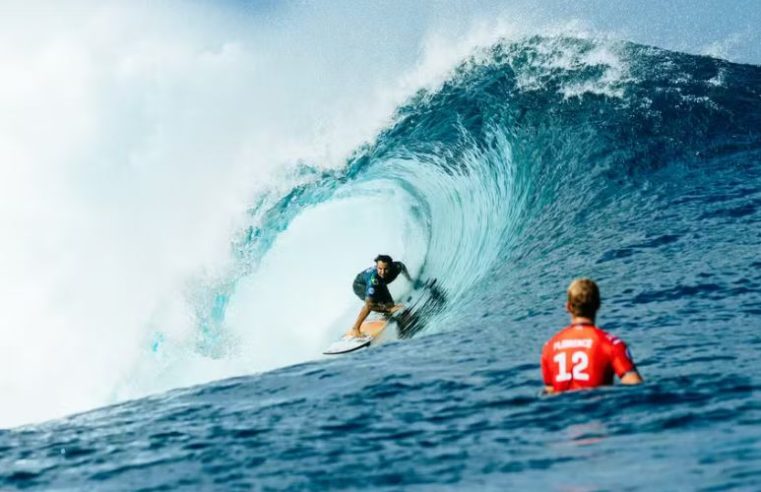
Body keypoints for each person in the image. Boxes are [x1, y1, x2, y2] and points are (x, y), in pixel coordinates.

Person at [541, 278, 643, 394]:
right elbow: (636, 387)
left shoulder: (549, 347)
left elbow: (549, 395)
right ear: (598, 305)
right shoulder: (612, 344)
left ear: (568, 307)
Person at [350, 255, 412, 338]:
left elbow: (403, 267)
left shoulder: (397, 266)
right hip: (360, 285)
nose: (382, 272)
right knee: (372, 304)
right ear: (376, 267)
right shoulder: (373, 280)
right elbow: (369, 305)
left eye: (386, 269)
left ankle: (389, 318)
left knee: (390, 305)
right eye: (380, 269)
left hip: (380, 283)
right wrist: (388, 309)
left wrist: (409, 279)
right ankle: (355, 328)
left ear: (391, 266)